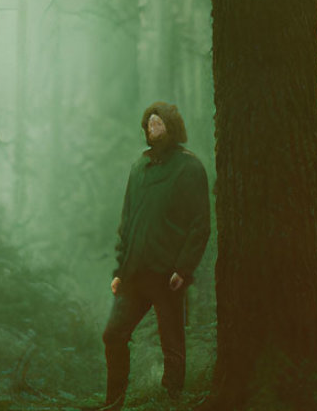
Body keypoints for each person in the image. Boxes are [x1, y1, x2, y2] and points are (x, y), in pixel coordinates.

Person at [95, 102, 210, 410]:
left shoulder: (190, 167)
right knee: (113, 335)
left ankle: (171, 401)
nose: (152, 128)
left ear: (171, 127)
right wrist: (119, 269)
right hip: (135, 272)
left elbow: (200, 225)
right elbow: (127, 221)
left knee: (172, 343)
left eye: (158, 123)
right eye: (148, 124)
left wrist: (183, 269)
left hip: (169, 274)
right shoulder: (139, 167)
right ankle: (113, 403)